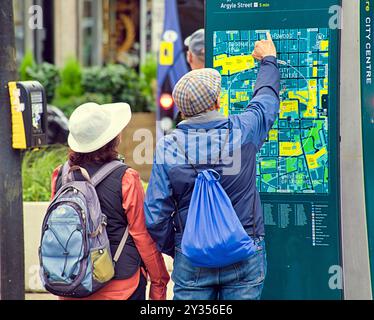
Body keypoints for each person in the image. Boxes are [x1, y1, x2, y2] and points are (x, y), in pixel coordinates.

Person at [145, 33, 280, 300]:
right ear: (217, 102)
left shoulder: (168, 147)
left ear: (182, 111)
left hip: (192, 258)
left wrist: (182, 247)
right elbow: (265, 102)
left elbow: (155, 215)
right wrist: (269, 61)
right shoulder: (243, 130)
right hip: (244, 251)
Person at [50, 102, 170, 300]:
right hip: (121, 284)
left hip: (74, 283)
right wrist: (159, 282)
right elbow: (142, 236)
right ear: (113, 139)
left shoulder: (61, 175)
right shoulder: (126, 177)